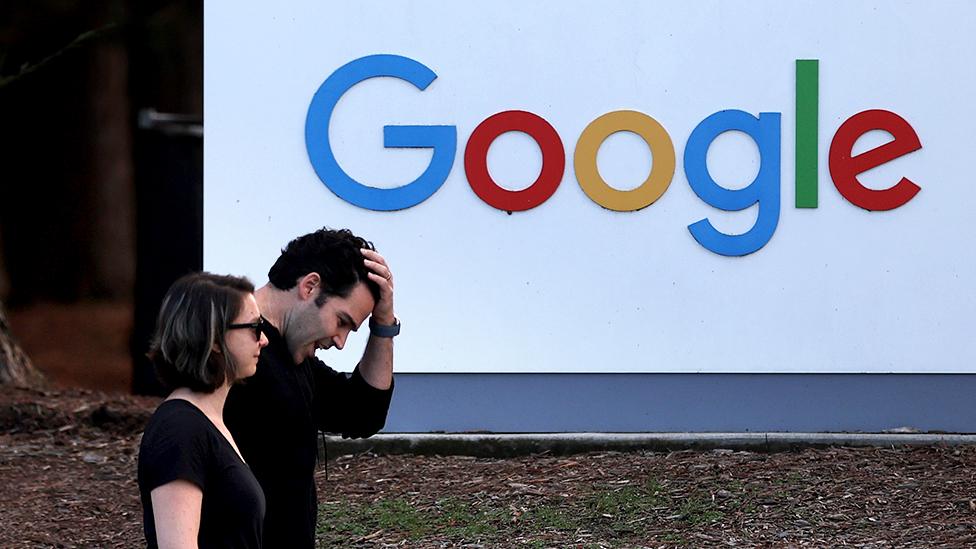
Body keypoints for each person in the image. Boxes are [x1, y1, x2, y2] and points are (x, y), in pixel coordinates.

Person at [224, 228, 397, 548]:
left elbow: (363, 413)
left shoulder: (294, 357)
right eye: (342, 321)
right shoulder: (233, 356)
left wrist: (384, 324)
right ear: (310, 285)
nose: (341, 342)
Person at [138, 273, 269, 548]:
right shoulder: (179, 430)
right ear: (214, 339)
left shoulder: (208, 421)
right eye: (255, 328)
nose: (264, 339)